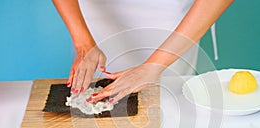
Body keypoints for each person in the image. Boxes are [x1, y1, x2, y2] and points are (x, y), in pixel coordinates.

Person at [52, 0, 233, 104]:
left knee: (167, 109)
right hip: (93, 18)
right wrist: (83, 43)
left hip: (173, 20)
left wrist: (155, 65)